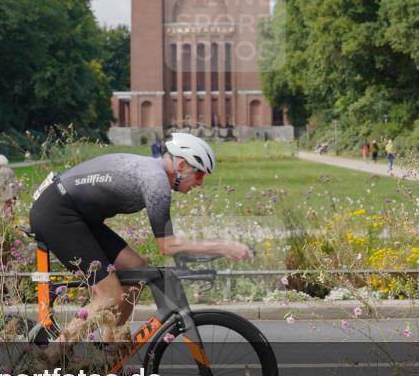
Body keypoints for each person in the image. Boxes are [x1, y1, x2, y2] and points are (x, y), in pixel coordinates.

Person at [29, 133, 252, 357]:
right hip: (57, 213)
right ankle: (51, 356)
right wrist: (224, 247)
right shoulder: (156, 183)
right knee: (109, 296)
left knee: (137, 270)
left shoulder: (155, 173)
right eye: (200, 174)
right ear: (182, 165)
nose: (201, 183)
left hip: (76, 214)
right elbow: (168, 246)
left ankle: (109, 352)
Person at [0, 154, 21, 219]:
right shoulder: (10, 169)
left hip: (7, 194)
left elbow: (1, 184)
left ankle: (9, 225)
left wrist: (0, 193)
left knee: (7, 210)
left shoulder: (1, 171)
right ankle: (13, 223)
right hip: (14, 193)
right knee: (12, 209)